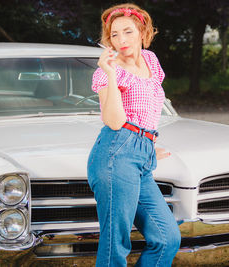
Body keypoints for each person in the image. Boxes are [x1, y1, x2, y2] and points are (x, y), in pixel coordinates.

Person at [87, 3, 181, 267]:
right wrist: (110, 73)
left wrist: (148, 144)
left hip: (140, 155)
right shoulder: (107, 71)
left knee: (167, 238)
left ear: (142, 32)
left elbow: (150, 106)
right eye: (114, 35)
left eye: (127, 32)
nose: (121, 40)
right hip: (115, 154)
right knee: (115, 244)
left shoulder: (150, 60)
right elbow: (114, 121)